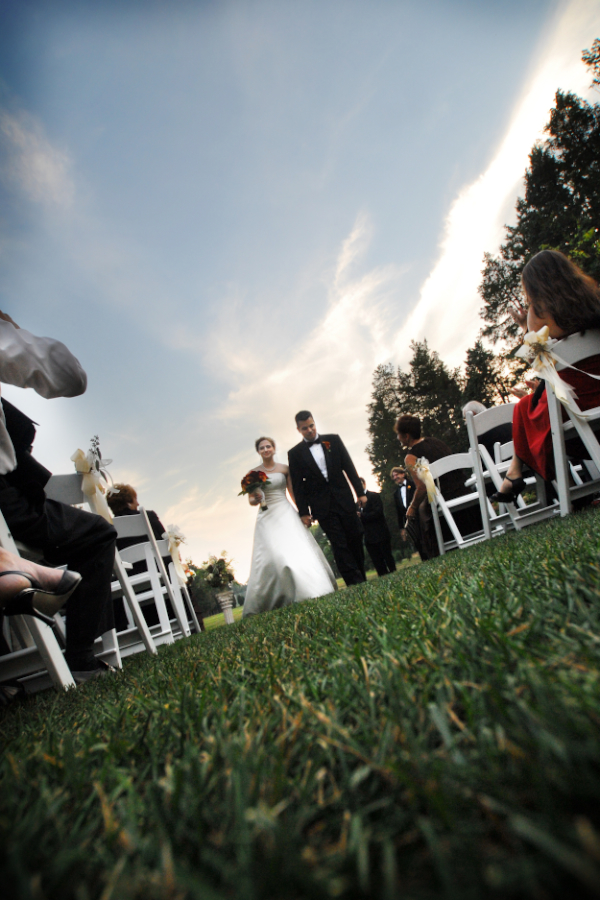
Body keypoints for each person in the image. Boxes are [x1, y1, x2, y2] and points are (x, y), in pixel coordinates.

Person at [0, 311, 117, 684]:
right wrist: (12, 331)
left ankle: (31, 576)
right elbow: (70, 375)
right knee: (98, 534)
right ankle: (81, 657)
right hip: (7, 505)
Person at [491, 250, 600, 502]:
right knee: (528, 406)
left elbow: (537, 362)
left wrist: (525, 326)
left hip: (576, 403)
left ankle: (515, 474)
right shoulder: (592, 297)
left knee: (524, 409)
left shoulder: (540, 311)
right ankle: (514, 473)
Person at [243, 436, 337, 617]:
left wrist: (303, 513)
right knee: (274, 554)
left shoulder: (284, 469)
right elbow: (251, 501)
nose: (265, 450)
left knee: (295, 550)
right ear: (258, 452)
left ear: (274, 448)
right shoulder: (252, 474)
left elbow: (293, 492)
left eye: (268, 446)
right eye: (262, 448)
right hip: (266, 516)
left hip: (285, 512)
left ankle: (309, 589)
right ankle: (275, 597)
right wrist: (256, 498)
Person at [288, 411, 367, 586]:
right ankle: (354, 582)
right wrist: (304, 512)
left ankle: (362, 576)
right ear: (298, 429)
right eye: (304, 428)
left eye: (311, 425)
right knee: (339, 543)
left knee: (355, 536)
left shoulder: (334, 440)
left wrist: (360, 493)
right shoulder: (295, 453)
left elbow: (349, 466)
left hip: (344, 499)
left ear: (314, 423)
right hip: (322, 506)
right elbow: (298, 486)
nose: (309, 430)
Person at [394, 414, 479, 560]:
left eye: (398, 434)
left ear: (406, 436)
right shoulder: (436, 442)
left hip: (443, 498)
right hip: (465, 490)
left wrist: (412, 507)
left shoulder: (411, 457)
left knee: (419, 510)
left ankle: (432, 552)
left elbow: (422, 487)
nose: (398, 438)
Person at [358, 478, 396, 577]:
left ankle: (395, 575)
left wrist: (362, 516)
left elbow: (378, 513)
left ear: (364, 484)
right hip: (369, 537)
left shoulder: (374, 496)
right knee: (377, 561)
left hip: (380, 533)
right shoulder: (357, 504)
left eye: (360, 484)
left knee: (387, 557)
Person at [391, 466, 415, 541]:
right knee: (415, 540)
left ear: (403, 474)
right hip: (408, 520)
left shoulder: (413, 484)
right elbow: (399, 512)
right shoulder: (396, 493)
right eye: (393, 476)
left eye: (396, 475)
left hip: (418, 514)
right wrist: (402, 528)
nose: (395, 477)